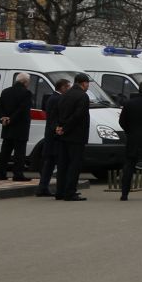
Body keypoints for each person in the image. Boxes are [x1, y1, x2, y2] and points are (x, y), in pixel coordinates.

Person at [50, 72, 93, 200]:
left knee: (63, 164)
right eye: (87, 83)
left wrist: (59, 127)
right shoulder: (82, 96)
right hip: (76, 135)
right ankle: (70, 192)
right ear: (83, 83)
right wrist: (65, 128)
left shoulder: (65, 94)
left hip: (63, 136)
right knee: (74, 165)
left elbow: (56, 112)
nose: (88, 86)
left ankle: (60, 191)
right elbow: (78, 116)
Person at [35, 75, 72, 197]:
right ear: (62, 87)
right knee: (54, 164)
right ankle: (50, 188)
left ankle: (43, 188)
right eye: (68, 87)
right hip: (55, 137)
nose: (69, 90)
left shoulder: (53, 98)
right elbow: (55, 118)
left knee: (49, 164)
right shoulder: (57, 99)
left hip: (51, 136)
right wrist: (58, 128)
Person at [0, 72, 33, 181]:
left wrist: (3, 118)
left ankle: (0, 174)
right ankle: (18, 174)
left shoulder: (5, 91)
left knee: (5, 152)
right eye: (28, 82)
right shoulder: (26, 93)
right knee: (19, 153)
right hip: (20, 127)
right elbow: (22, 110)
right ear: (25, 82)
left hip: (6, 126)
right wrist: (11, 119)